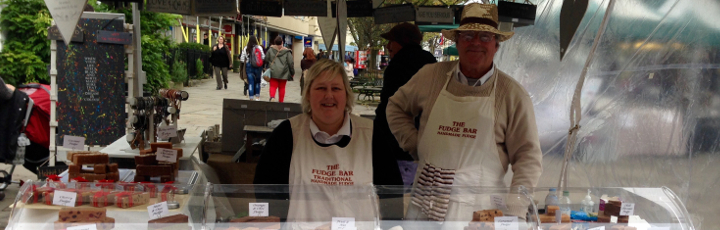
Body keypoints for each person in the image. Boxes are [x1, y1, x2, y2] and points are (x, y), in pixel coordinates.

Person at [386, 3, 542, 224]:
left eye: (485, 37)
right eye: (468, 35)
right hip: (425, 207)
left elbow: (528, 158)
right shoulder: (431, 76)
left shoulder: (513, 95)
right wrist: (415, 144)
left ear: (496, 45)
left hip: (479, 215)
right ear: (457, 41)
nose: (476, 42)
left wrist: (516, 210)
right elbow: (395, 107)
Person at [254, 60, 403, 224]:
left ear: (346, 95)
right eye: (321, 88)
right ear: (308, 94)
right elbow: (266, 190)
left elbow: (392, 193)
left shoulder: (371, 135)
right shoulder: (287, 134)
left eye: (336, 88)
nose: (329, 95)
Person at [373, 22, 437, 184]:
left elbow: (389, 108)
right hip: (429, 145)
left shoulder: (398, 66)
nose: (388, 47)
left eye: (391, 42)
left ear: (402, 41)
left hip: (398, 147)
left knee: (395, 198)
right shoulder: (432, 63)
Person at [264, 36, 294, 102]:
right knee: (282, 87)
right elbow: (290, 63)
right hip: (284, 72)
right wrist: (292, 73)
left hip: (273, 71)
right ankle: (281, 102)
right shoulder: (287, 51)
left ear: (275, 42)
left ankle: (272, 97)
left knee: (273, 86)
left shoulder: (270, 50)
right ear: (282, 42)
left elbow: (266, 59)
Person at [239, 35, 265, 101]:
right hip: (258, 67)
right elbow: (263, 57)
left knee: (250, 83)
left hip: (249, 66)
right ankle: (257, 97)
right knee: (257, 82)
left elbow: (242, 59)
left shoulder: (246, 48)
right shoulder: (259, 47)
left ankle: (251, 98)